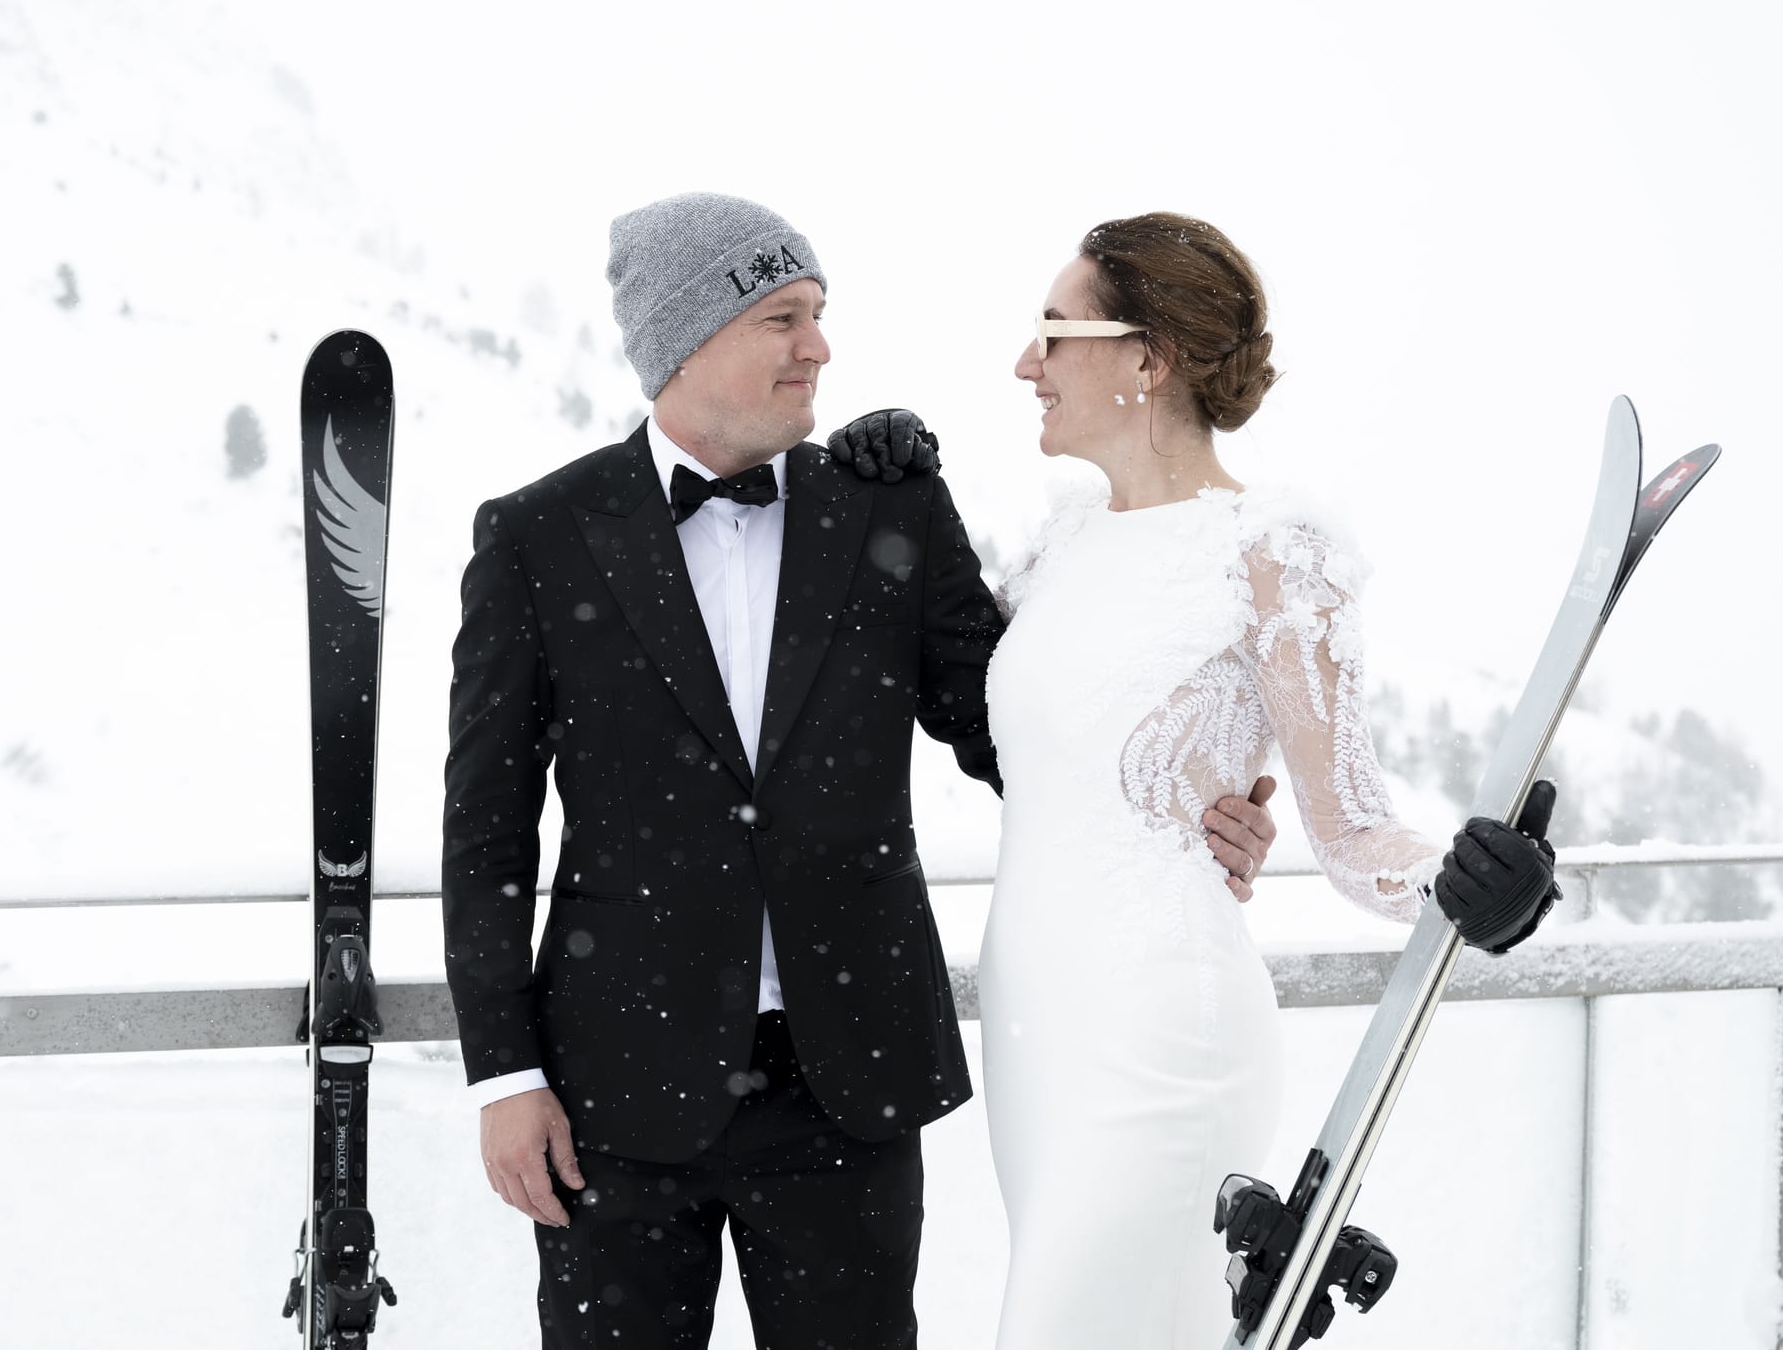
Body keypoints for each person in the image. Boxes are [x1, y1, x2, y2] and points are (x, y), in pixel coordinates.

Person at [439, 193, 1283, 1348]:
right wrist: (503, 1077)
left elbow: (1020, 736)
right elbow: (484, 833)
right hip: (614, 1092)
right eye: (784, 318)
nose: (820, 346)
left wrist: (1191, 807)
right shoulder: (539, 536)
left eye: (821, 314)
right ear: (691, 339)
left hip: (848, 1083)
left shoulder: (883, 503)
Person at [946, 211, 1562, 1349]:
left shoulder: (1272, 553)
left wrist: (1471, 882)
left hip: (1158, 1032)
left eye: (1052, 331)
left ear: (1147, 356)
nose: (1023, 363)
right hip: (1035, 1040)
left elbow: (1354, 831)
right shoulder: (1061, 547)